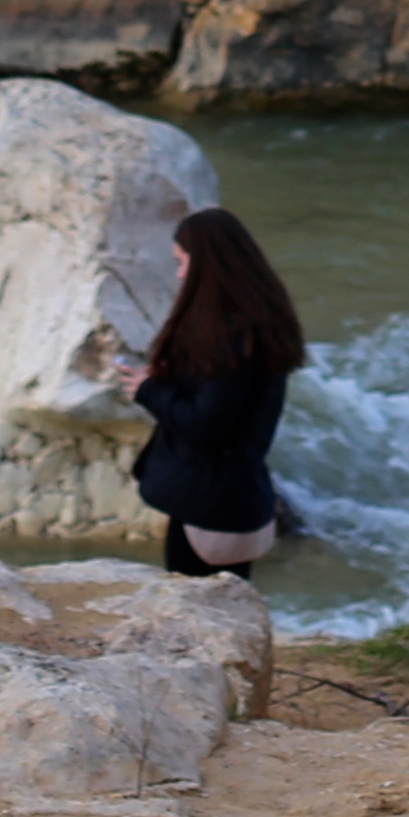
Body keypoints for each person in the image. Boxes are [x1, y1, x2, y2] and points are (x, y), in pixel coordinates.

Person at [110, 204, 305, 578]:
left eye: (183, 262)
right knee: (227, 601)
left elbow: (206, 425)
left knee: (199, 607)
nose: (180, 274)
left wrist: (149, 390)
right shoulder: (264, 319)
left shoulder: (229, 334)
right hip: (235, 494)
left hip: (209, 502)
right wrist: (171, 380)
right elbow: (226, 401)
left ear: (208, 267)